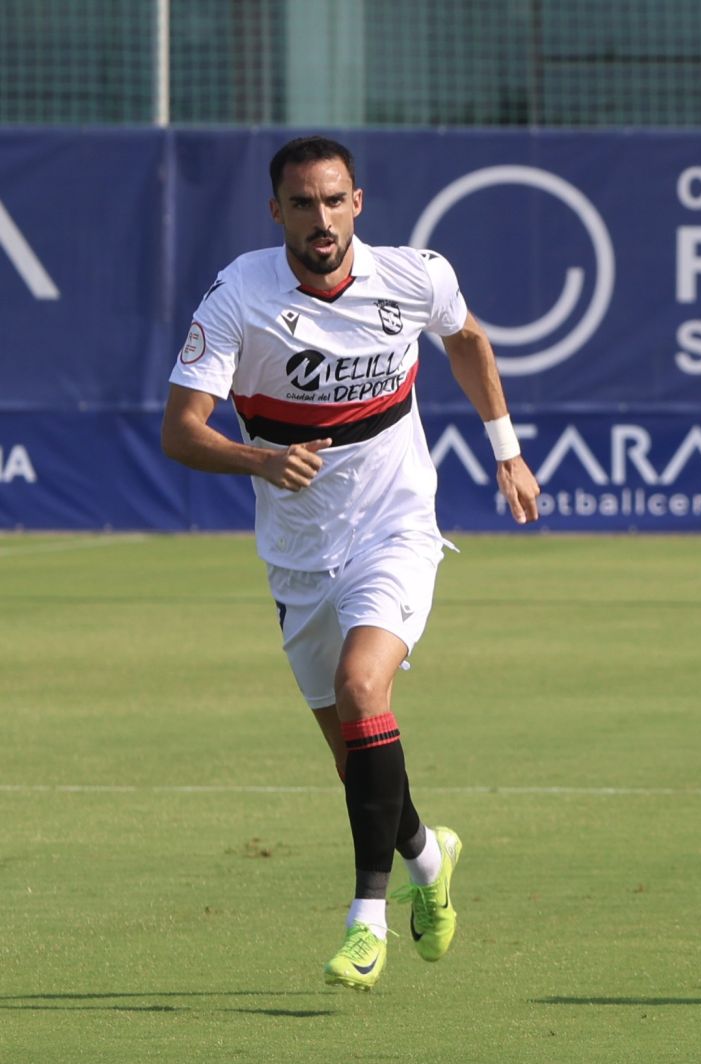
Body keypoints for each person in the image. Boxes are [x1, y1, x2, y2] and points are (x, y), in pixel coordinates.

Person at [160, 136, 540, 991]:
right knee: (357, 759)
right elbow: (181, 430)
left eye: (334, 201)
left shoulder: (414, 276)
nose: (320, 218)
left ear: (357, 204)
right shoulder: (239, 296)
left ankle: (364, 920)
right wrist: (259, 460)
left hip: (397, 528)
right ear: (277, 213)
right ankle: (429, 862)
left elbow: (470, 340)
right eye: (303, 203)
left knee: (369, 689)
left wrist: (506, 450)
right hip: (299, 557)